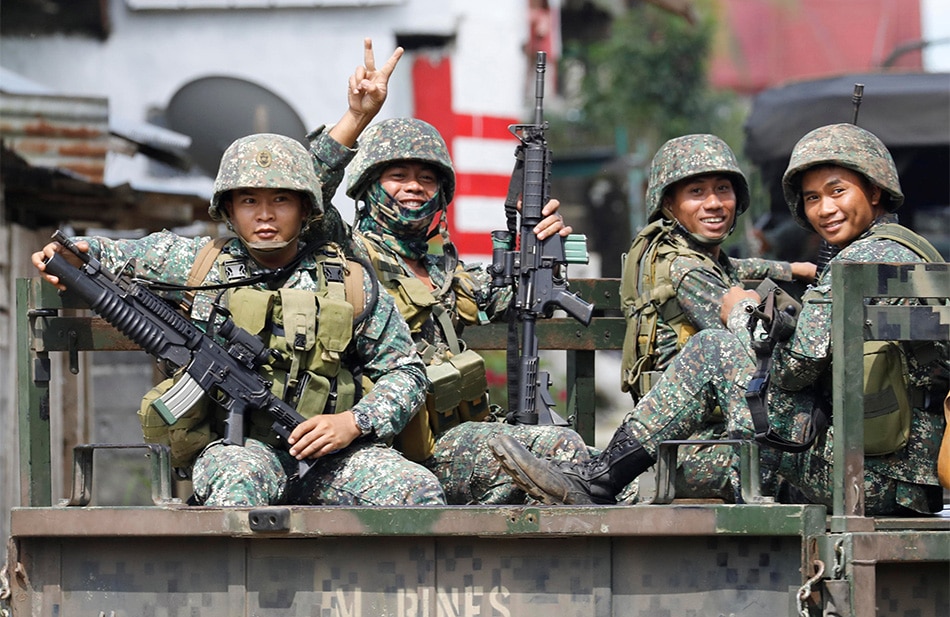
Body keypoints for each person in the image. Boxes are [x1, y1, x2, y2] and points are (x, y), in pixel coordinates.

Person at [32, 41, 447, 507]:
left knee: (417, 491)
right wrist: (71, 256)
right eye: (249, 200)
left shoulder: (349, 280)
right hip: (241, 450)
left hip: (332, 451)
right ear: (228, 208)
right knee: (236, 486)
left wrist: (352, 423)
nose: (265, 215)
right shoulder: (200, 262)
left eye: (281, 200)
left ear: (306, 208)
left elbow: (405, 372)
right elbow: (117, 255)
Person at [490, 123, 946, 515]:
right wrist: (792, 285)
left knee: (714, 349)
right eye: (812, 198)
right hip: (907, 482)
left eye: (837, 191)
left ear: (876, 190)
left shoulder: (855, 266)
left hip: (863, 482)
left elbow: (794, 369)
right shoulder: (913, 254)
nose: (824, 209)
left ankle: (599, 481)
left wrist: (742, 314)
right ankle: (599, 478)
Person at [307, 116, 591, 505]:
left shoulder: (449, 272)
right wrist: (356, 119)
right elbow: (307, 193)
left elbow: (523, 303)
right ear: (368, 185)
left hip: (450, 441)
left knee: (575, 457)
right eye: (397, 175)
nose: (413, 187)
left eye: (427, 178)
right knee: (560, 452)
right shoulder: (347, 252)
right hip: (379, 445)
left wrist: (541, 250)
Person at [618, 133, 815, 502]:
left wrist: (794, 268)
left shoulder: (682, 253)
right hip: (691, 440)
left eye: (723, 189)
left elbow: (735, 265)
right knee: (807, 449)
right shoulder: (690, 273)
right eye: (696, 192)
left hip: (698, 428)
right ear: (669, 204)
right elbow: (757, 347)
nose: (714, 204)